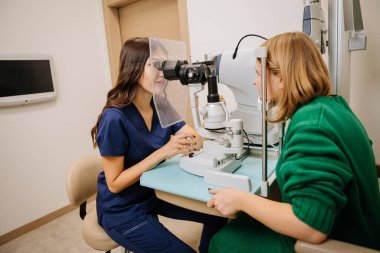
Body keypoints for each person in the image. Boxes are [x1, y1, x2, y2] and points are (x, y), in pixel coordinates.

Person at [207, 32, 380, 252]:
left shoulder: (312, 126)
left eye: (259, 73)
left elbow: (312, 226)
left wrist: (241, 200)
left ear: (281, 77)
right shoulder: (332, 107)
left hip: (338, 242)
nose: (254, 81)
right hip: (362, 227)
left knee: (222, 241)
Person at [91, 37, 226, 253]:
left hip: (155, 193)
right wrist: (165, 151)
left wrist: (201, 127)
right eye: (155, 65)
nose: (163, 72)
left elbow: (192, 138)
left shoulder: (159, 103)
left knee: (219, 215)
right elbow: (114, 183)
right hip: (122, 209)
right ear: (133, 68)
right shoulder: (114, 118)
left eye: (164, 65)